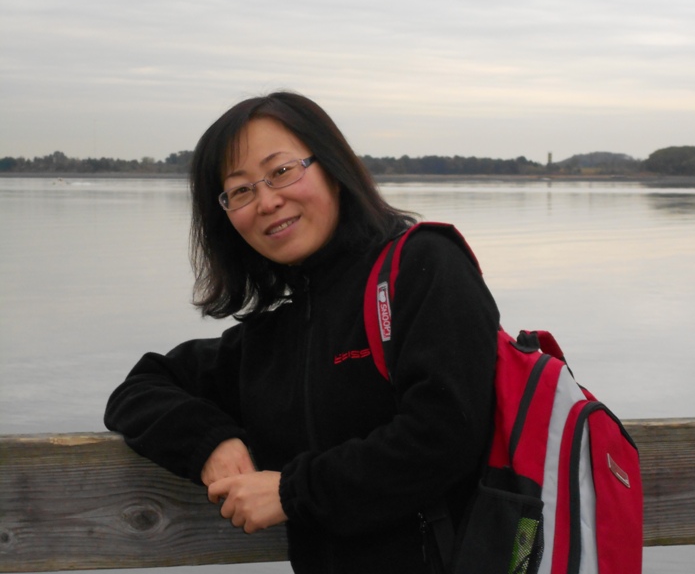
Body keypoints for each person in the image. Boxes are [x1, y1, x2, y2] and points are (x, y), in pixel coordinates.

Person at [104, 91, 500, 574]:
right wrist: (209, 442)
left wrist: (291, 492)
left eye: (282, 170)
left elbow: (445, 436)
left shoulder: (423, 267)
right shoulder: (279, 332)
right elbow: (139, 388)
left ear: (332, 167)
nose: (268, 201)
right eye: (241, 191)